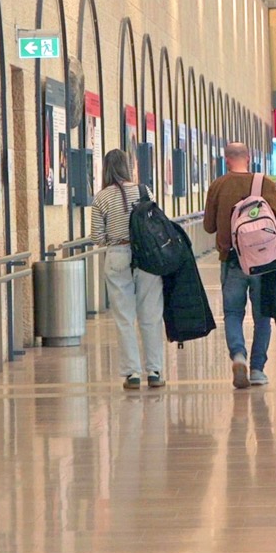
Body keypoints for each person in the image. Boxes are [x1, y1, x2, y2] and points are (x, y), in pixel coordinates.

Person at [204, 142, 276, 389]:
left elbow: (209, 226)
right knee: (263, 316)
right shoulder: (265, 184)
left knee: (233, 313)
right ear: (249, 158)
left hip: (231, 260)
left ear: (226, 159)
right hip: (264, 262)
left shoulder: (218, 185)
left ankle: (238, 356)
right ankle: (257, 369)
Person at [91, 149, 165, 389]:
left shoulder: (101, 197)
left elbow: (97, 236)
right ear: (127, 166)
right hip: (147, 257)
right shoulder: (145, 191)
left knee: (124, 317)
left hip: (117, 255)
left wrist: (114, 238)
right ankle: (154, 371)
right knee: (151, 315)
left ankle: (132, 374)